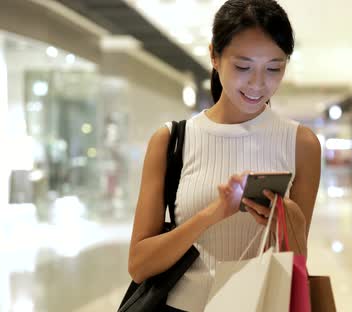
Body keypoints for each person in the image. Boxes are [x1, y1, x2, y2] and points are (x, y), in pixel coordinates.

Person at [126, 0, 321, 311]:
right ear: (214, 56)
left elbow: (298, 259)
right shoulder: (172, 140)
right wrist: (212, 214)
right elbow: (139, 265)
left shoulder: (301, 143)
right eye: (243, 67)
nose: (258, 84)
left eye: (274, 68)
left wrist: (287, 217)